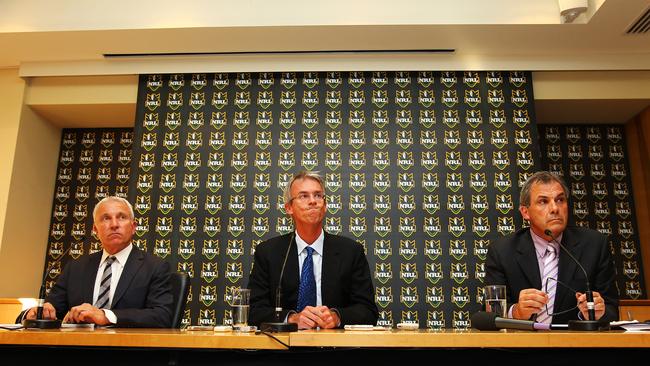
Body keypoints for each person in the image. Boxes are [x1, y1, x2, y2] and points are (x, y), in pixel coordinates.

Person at [248, 171, 378, 329]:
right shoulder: (269, 252)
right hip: (285, 350)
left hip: (336, 349)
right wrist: (292, 318)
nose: (313, 201)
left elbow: (368, 311)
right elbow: (254, 312)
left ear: (325, 206)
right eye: (303, 196)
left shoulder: (351, 251)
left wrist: (337, 317)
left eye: (318, 196)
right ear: (289, 207)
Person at [486, 171, 618, 324]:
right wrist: (516, 312)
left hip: (575, 344)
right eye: (543, 201)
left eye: (560, 200)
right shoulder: (502, 251)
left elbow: (612, 310)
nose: (555, 208)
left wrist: (595, 313)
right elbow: (489, 314)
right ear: (525, 212)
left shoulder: (594, 245)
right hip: (521, 345)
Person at [23, 196, 173, 327]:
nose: (114, 224)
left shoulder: (155, 267)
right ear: (95, 230)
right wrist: (39, 312)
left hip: (128, 354)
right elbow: (52, 307)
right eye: (106, 218)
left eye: (121, 217)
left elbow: (162, 316)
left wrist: (106, 316)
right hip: (76, 351)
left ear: (133, 227)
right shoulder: (76, 267)